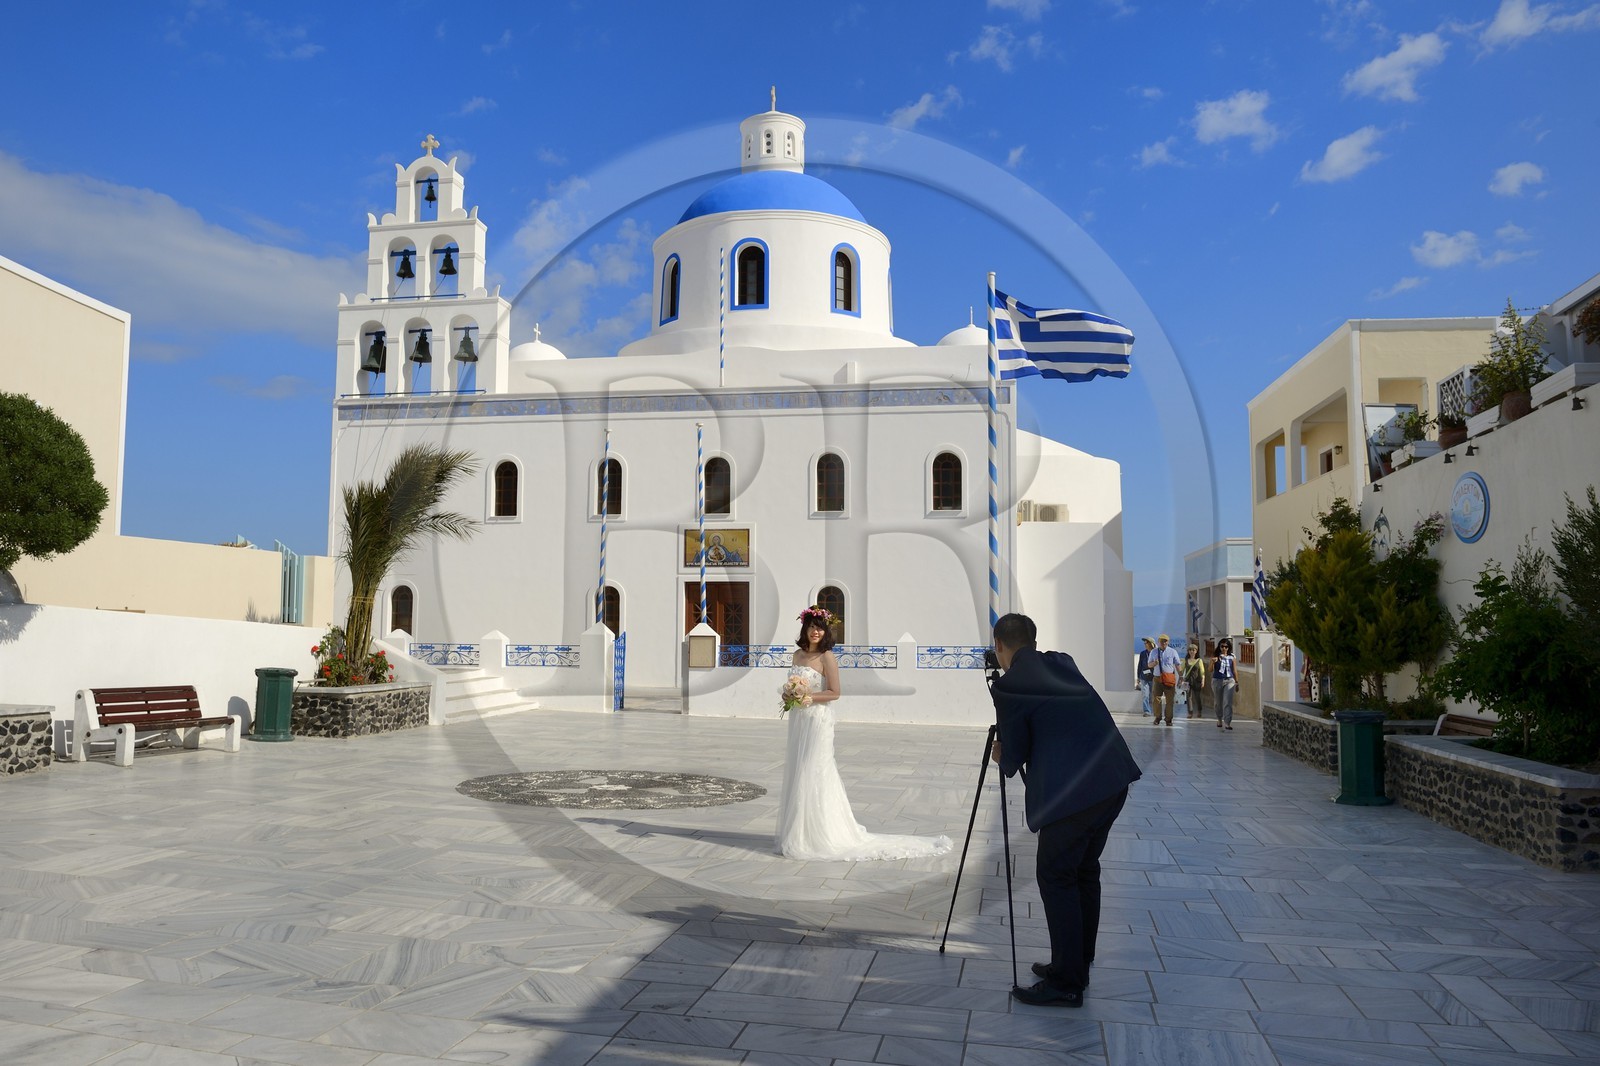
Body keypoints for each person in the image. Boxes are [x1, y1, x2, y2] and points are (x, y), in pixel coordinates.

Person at [989, 613, 1142, 1008]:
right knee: (1084, 872)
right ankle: (1076, 962)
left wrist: (1001, 753)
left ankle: (1067, 981)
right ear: (1035, 641)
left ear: (999, 645)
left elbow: (1014, 756)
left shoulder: (1011, 686)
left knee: (1056, 876)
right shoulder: (1063, 662)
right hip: (1112, 778)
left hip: (1074, 794)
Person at [775, 605, 952, 861]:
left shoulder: (827, 657)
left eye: (820, 628)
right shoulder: (797, 655)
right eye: (812, 627)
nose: (816, 632)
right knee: (797, 770)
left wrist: (808, 696)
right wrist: (787, 693)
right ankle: (798, 833)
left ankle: (820, 833)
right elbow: (791, 683)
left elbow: (835, 692)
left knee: (813, 770)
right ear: (805, 628)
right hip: (799, 719)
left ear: (826, 632)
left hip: (816, 719)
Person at [1151, 634, 1181, 726]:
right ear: (1159, 642)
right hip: (1157, 678)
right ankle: (1158, 717)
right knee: (1156, 699)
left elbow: (1177, 664)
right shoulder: (1154, 652)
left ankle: (1168, 719)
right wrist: (1154, 663)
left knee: (1170, 700)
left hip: (1169, 678)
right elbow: (1149, 665)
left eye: (1166, 641)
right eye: (1162, 641)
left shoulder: (1173, 652)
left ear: (1168, 642)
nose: (1164, 642)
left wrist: (1181, 676)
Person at [1212, 638, 1238, 730]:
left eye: (1226, 646)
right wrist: (1212, 662)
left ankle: (1227, 722)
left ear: (1228, 647)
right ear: (1219, 647)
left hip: (1229, 680)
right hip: (1217, 680)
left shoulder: (1232, 657)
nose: (1224, 648)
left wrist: (1237, 682)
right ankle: (1219, 719)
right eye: (1222, 646)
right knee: (1218, 702)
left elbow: (1234, 670)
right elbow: (1210, 670)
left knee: (1228, 701)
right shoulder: (1216, 656)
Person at [1182, 642, 1207, 718]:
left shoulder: (1199, 661)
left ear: (1196, 651)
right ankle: (1190, 712)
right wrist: (1181, 679)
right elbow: (1182, 670)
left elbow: (1202, 671)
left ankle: (1199, 711)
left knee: (1197, 697)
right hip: (1187, 681)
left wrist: (1203, 680)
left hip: (1197, 680)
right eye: (1190, 650)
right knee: (1188, 697)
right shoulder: (1185, 660)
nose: (1192, 651)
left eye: (1193, 650)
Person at [1137, 637, 1156, 716]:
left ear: (1151, 644)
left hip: (1154, 677)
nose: (1145, 645)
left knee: (1153, 695)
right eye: (1144, 643)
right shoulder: (1143, 653)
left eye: (1146, 643)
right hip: (1144, 677)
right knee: (1145, 694)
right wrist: (1138, 676)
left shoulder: (1156, 653)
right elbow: (1140, 665)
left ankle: (1154, 710)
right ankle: (1147, 711)